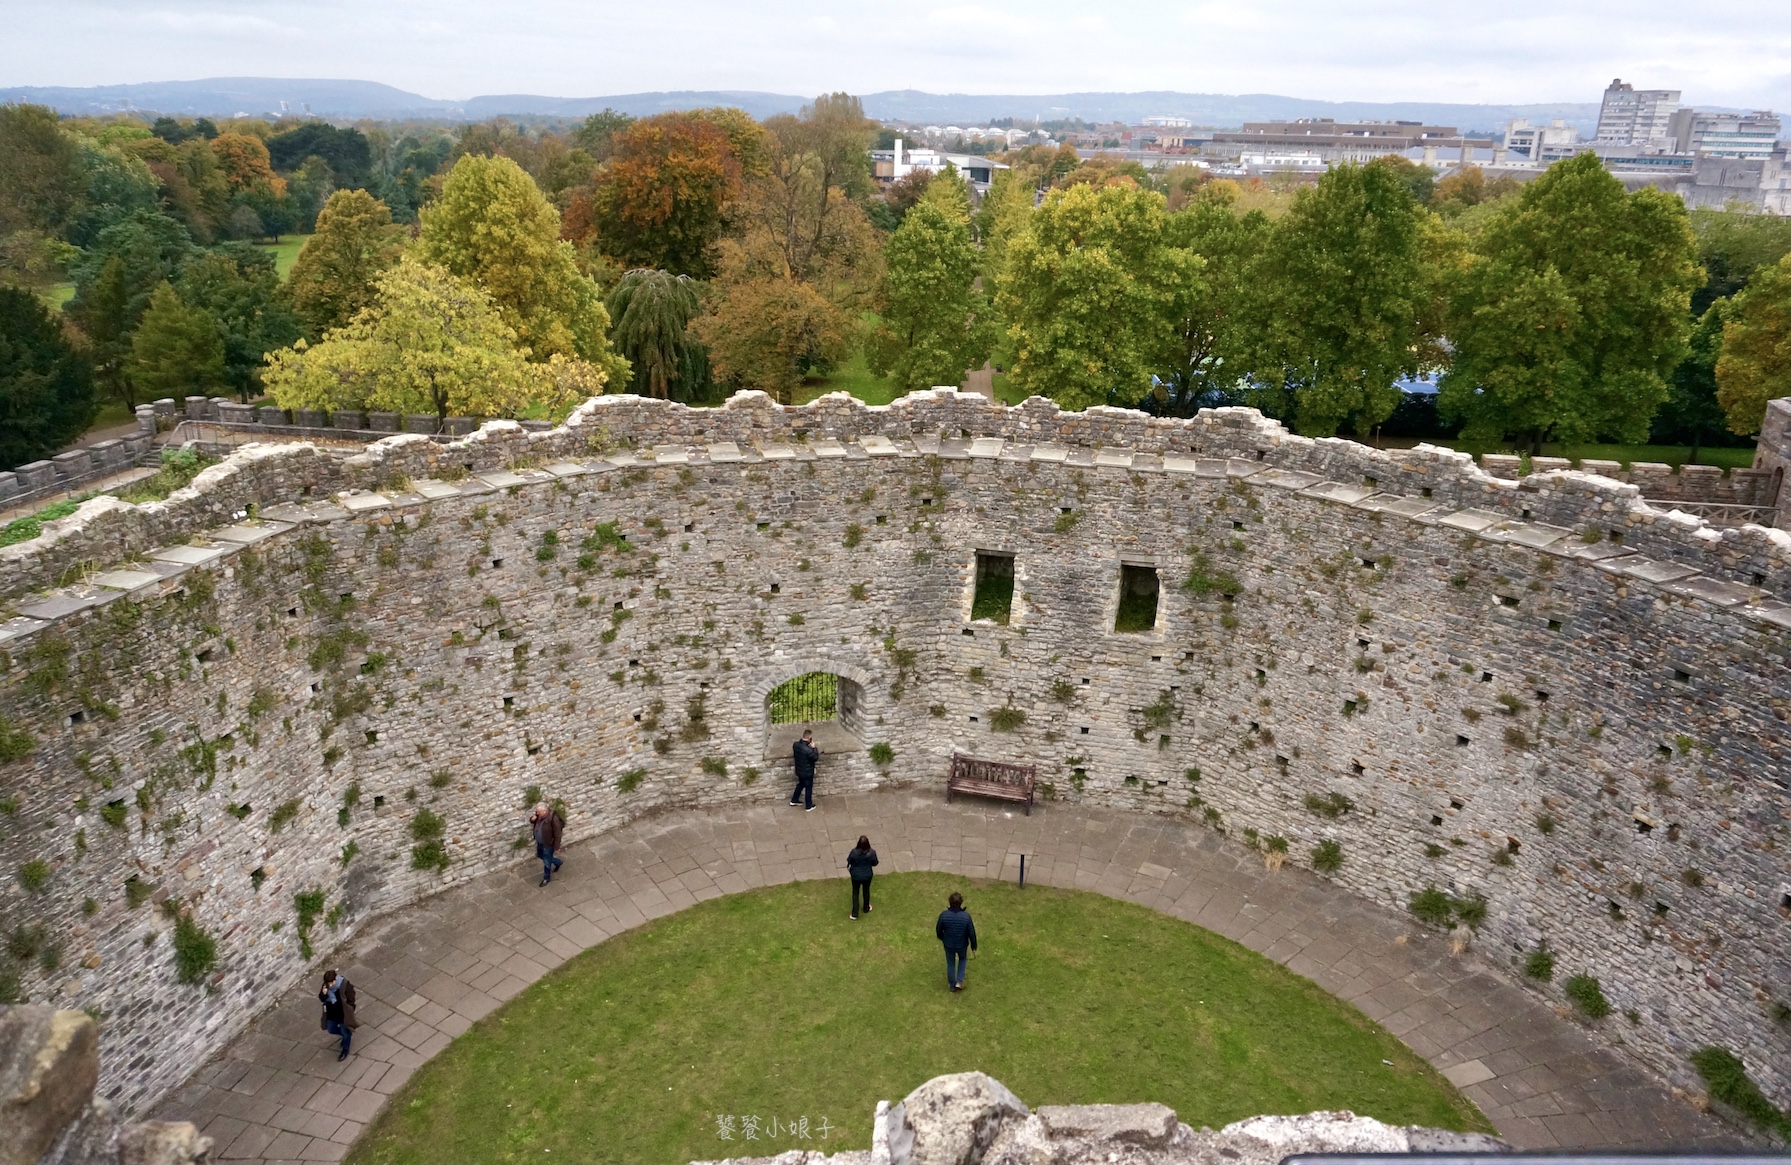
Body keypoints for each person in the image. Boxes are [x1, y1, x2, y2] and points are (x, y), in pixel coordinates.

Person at [935, 891, 978, 991]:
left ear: (949, 902)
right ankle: (959, 981)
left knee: (950, 963)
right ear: (961, 903)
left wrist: (942, 938)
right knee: (962, 959)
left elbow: (938, 929)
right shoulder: (966, 917)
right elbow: (971, 932)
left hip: (948, 944)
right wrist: (973, 945)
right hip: (962, 944)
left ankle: (952, 985)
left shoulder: (944, 915)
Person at [318, 969, 358, 1060]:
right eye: (328, 983)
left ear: (335, 979)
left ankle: (345, 1048)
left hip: (343, 1014)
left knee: (345, 1031)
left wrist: (349, 1011)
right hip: (331, 1013)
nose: (330, 985)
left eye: (331, 983)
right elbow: (322, 998)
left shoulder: (346, 986)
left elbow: (351, 1000)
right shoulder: (326, 986)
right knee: (330, 1029)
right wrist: (323, 994)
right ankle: (346, 1035)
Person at [530, 801, 564, 887]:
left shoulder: (553, 819)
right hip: (540, 842)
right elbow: (533, 821)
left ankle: (546, 877)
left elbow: (557, 834)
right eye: (537, 812)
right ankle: (557, 862)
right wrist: (532, 819)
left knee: (546, 861)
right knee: (541, 855)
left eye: (539, 812)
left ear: (545, 811)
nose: (537, 813)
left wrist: (556, 848)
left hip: (548, 844)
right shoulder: (539, 816)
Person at [847, 835, 878, 919]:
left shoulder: (854, 852)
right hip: (867, 875)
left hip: (856, 875)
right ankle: (866, 908)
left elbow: (849, 860)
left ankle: (854, 914)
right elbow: (875, 863)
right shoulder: (871, 853)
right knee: (866, 890)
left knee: (855, 893)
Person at [789, 729, 819, 811]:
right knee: (808, 788)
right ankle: (809, 806)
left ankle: (794, 800)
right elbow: (815, 758)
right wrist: (814, 748)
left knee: (801, 784)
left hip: (799, 770)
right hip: (808, 772)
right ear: (810, 738)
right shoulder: (809, 750)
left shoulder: (795, 745)